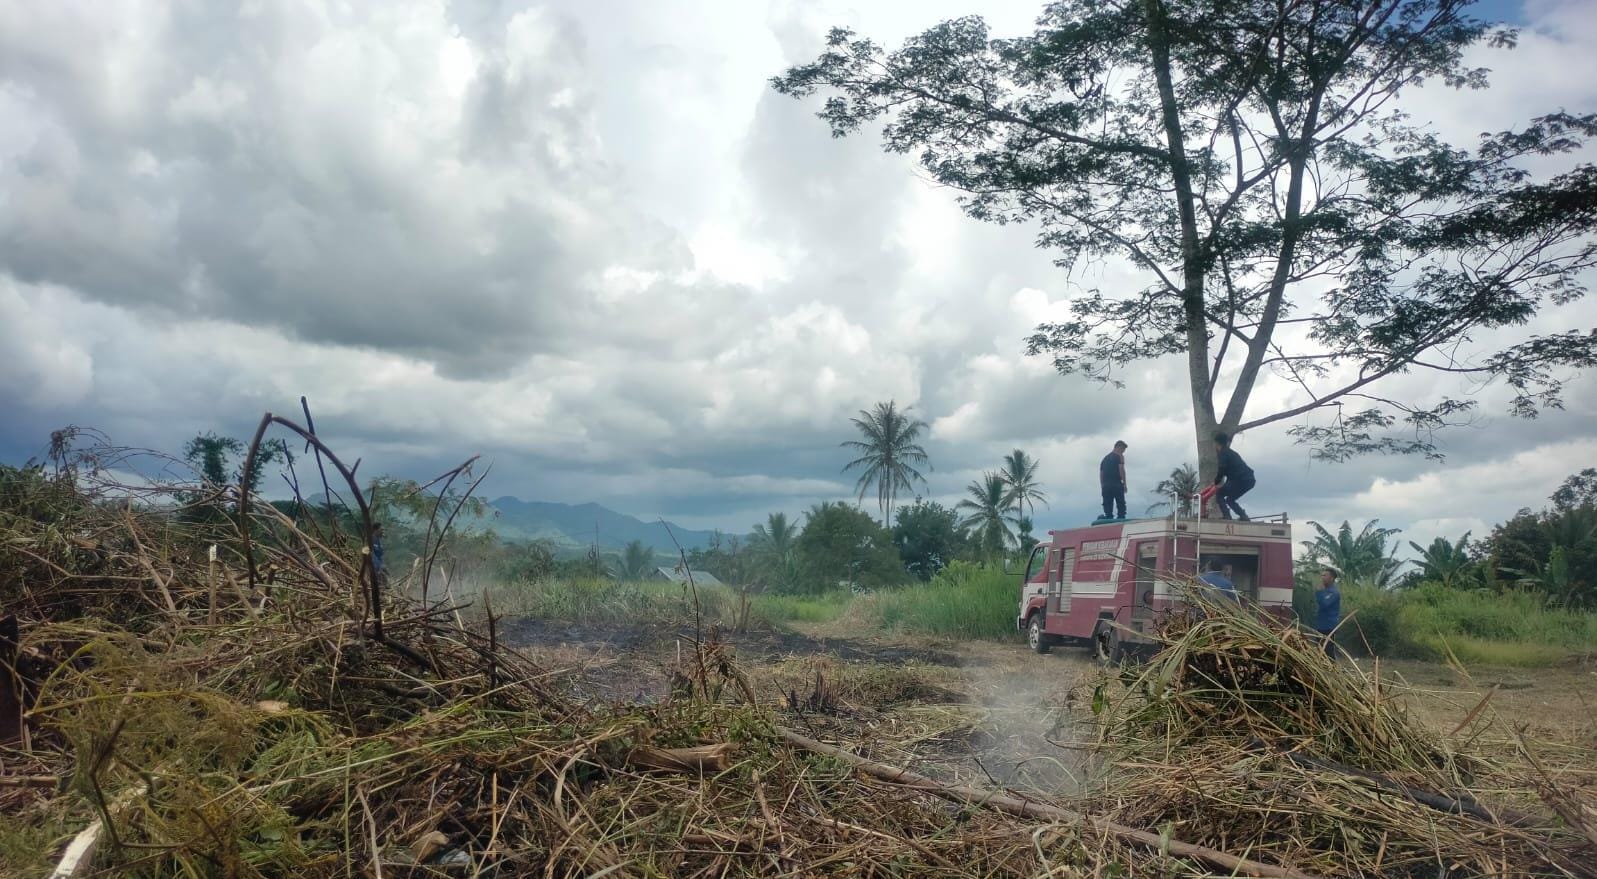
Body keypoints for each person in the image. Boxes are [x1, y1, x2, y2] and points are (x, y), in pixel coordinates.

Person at [1212, 432, 1256, 521]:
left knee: (1219, 494)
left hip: (1240, 480)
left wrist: (1216, 481)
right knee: (1230, 499)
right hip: (1249, 480)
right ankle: (1243, 516)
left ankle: (1227, 516)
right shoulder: (1232, 453)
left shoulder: (1223, 453)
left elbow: (1222, 468)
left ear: (1216, 443)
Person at [1314, 567, 1342, 656]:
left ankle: (1332, 668)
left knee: (1328, 652)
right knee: (1320, 651)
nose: (1322, 577)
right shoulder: (1324, 591)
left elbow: (1325, 604)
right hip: (1320, 626)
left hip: (1329, 627)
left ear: (1332, 578)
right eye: (1322, 575)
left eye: (1325, 575)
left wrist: (1319, 592)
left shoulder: (1333, 593)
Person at [1099, 440, 1128, 520]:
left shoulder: (1105, 458)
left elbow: (1101, 473)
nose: (1123, 452)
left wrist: (1102, 485)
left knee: (1107, 504)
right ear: (1119, 447)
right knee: (1120, 503)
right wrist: (1125, 484)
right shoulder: (1120, 456)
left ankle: (1109, 517)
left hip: (1106, 485)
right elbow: (1121, 469)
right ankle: (1121, 517)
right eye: (1123, 450)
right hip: (1116, 483)